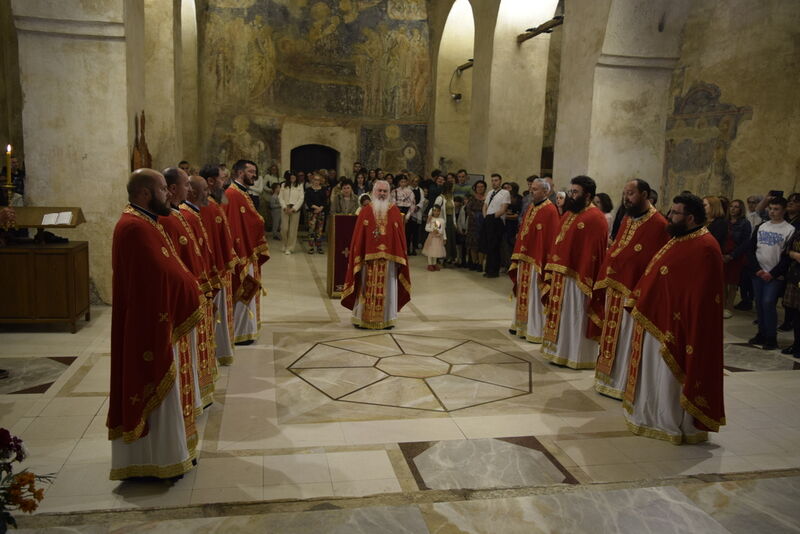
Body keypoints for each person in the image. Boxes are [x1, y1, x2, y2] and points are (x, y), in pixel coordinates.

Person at [108, 168, 204, 480]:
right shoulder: (134, 227)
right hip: (149, 324)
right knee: (157, 386)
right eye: (163, 189)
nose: (169, 194)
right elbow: (158, 276)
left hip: (158, 319)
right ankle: (159, 461)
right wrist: (188, 292)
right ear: (145, 193)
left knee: (168, 390)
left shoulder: (147, 221)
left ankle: (170, 455)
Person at [623, 193, 725, 444]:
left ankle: (670, 420)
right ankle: (652, 414)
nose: (669, 216)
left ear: (690, 218)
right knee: (654, 373)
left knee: (668, 377)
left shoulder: (705, 247)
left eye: (676, 213)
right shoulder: (680, 238)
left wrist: (671, 319)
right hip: (657, 320)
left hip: (677, 328)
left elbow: (699, 298)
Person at [593, 179, 668, 399]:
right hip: (615, 288)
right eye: (625, 193)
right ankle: (607, 379)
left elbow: (654, 263)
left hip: (633, 295)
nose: (626, 198)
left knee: (626, 339)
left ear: (645, 194)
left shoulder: (658, 224)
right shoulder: (627, 218)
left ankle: (623, 383)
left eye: (631, 193)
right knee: (612, 336)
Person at [159, 168, 217, 409]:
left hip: (194, 289)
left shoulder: (178, 215)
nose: (189, 190)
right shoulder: (167, 218)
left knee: (192, 350)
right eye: (186, 185)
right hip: (182, 297)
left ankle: (194, 394)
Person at [541, 176, 608, 369]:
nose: (571, 195)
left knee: (576, 316)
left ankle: (577, 357)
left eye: (575, 192)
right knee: (563, 316)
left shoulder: (596, 218)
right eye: (571, 191)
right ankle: (559, 352)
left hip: (579, 279)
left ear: (588, 195)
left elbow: (594, 253)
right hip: (561, 276)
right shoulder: (570, 213)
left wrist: (583, 274)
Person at [341, 180, 410, 329]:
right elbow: (358, 237)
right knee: (365, 288)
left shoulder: (394, 211)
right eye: (379, 191)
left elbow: (399, 237)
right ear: (374, 192)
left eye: (385, 191)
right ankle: (362, 319)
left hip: (389, 260)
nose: (382, 194)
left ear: (389, 193)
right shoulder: (366, 211)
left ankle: (387, 319)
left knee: (388, 289)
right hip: (368, 260)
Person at [224, 159, 270, 345]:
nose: (254, 175)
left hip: (249, 250)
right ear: (240, 172)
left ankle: (247, 330)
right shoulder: (232, 194)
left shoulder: (242, 193)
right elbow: (233, 225)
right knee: (244, 290)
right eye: (251, 172)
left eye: (255, 172)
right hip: (242, 252)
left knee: (249, 290)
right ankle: (240, 334)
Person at [508, 178, 560, 342]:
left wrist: (544, 261)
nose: (532, 191)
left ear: (546, 191)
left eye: (536, 189)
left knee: (535, 296)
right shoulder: (531, 206)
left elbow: (550, 239)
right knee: (524, 293)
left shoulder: (550, 210)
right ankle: (520, 325)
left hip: (537, 261)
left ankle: (535, 330)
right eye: (532, 188)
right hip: (524, 258)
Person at [198, 164, 238, 365]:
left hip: (219, 267)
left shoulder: (213, 204)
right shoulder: (208, 207)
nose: (225, 182)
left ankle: (220, 350)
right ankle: (216, 351)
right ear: (211, 181)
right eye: (222, 178)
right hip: (214, 270)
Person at [748, 196, 795, 350]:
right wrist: (757, 269)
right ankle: (761, 333)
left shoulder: (789, 229)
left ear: (784, 210)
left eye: (776, 209)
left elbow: (786, 257)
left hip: (774, 275)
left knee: (768, 303)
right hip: (759, 272)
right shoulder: (762, 226)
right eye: (770, 209)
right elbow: (751, 249)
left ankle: (771, 337)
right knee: (759, 304)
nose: (772, 212)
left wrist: (773, 273)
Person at [722, 199, 752, 317]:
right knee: (723, 282)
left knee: (732, 283)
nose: (733, 209)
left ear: (741, 209)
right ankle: (723, 305)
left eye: (736, 207)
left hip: (735, 256)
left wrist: (732, 255)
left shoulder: (744, 223)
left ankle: (729, 307)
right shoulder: (725, 222)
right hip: (723, 255)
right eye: (731, 206)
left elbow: (745, 243)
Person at [480, 174, 510, 278]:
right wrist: (486, 217)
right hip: (488, 220)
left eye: (496, 180)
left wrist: (492, 217)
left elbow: (503, 209)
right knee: (488, 246)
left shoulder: (505, 193)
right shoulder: (490, 192)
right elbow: (485, 206)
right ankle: (488, 269)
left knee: (495, 246)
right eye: (492, 180)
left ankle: (494, 271)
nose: (494, 182)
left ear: (500, 181)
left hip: (497, 220)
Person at [279, 171, 304, 254]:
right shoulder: (283, 185)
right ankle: (284, 244)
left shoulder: (300, 185)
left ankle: (289, 248)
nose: (293, 178)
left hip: (295, 209)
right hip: (285, 208)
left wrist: (294, 208)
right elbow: (280, 197)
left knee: (292, 229)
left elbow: (301, 198)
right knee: (284, 228)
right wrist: (284, 207)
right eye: (291, 176)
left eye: (294, 176)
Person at [466, 180, 486, 271]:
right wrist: (475, 216)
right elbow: (468, 209)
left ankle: (480, 264)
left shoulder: (487, 198)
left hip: (483, 223)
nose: (480, 188)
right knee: (473, 244)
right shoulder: (472, 198)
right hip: (473, 224)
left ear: (484, 188)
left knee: (481, 244)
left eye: (482, 187)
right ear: (475, 188)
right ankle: (474, 262)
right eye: (478, 187)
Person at [305, 173, 328, 254]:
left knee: (319, 230)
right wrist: (315, 208)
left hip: (321, 212)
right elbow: (308, 201)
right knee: (311, 230)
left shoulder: (323, 189)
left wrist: (320, 208)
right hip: (312, 213)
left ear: (320, 181)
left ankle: (319, 246)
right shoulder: (308, 190)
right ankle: (311, 247)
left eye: (318, 180)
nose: (316, 181)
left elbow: (325, 201)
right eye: (315, 179)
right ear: (312, 180)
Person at [422, 205, 446, 271]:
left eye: (438, 211)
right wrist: (432, 230)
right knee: (430, 251)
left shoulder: (441, 220)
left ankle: (434, 264)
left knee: (436, 251)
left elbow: (443, 230)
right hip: (431, 238)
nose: (436, 212)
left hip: (438, 238)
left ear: (440, 212)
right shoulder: (430, 219)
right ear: (432, 211)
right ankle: (430, 264)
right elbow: (426, 228)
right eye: (435, 211)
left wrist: (444, 238)